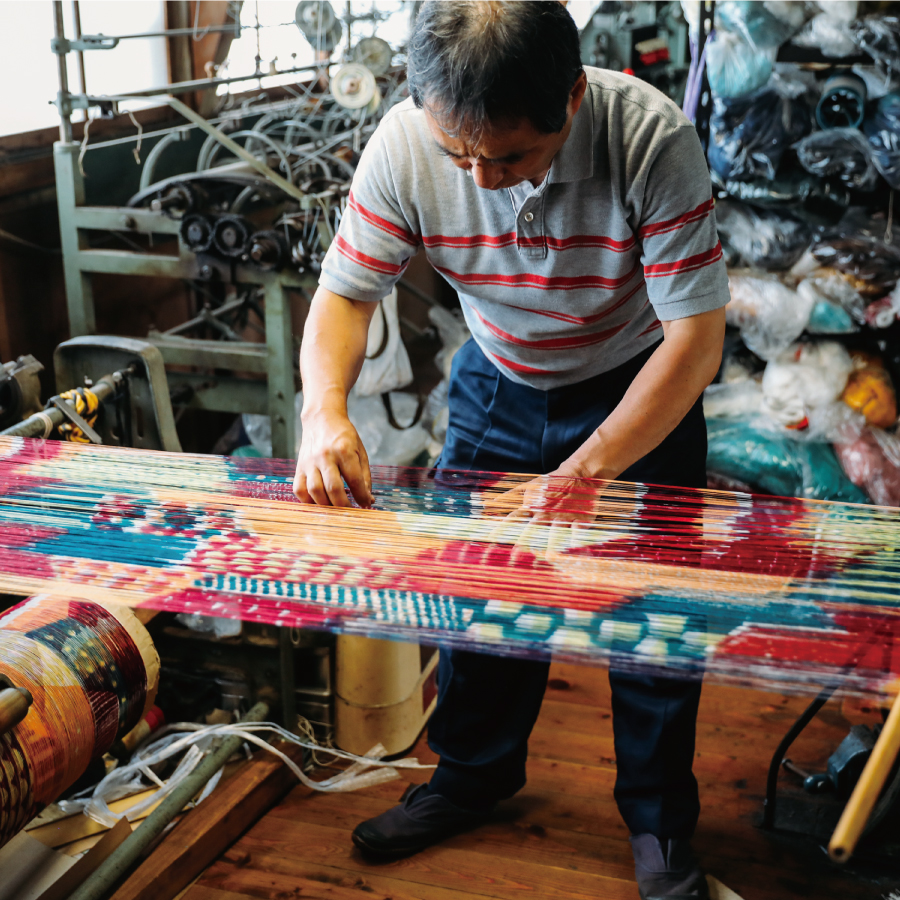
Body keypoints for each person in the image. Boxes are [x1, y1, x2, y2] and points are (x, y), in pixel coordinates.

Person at [292, 3, 727, 898]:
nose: (484, 180)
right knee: (482, 593)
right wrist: (322, 413)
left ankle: (659, 824)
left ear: (570, 98)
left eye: (514, 158)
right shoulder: (406, 141)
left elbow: (695, 341)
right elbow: (343, 295)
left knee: (649, 618)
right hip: (499, 380)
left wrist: (590, 468)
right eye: (462, 157)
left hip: (637, 384)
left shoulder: (650, 138)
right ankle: (473, 776)